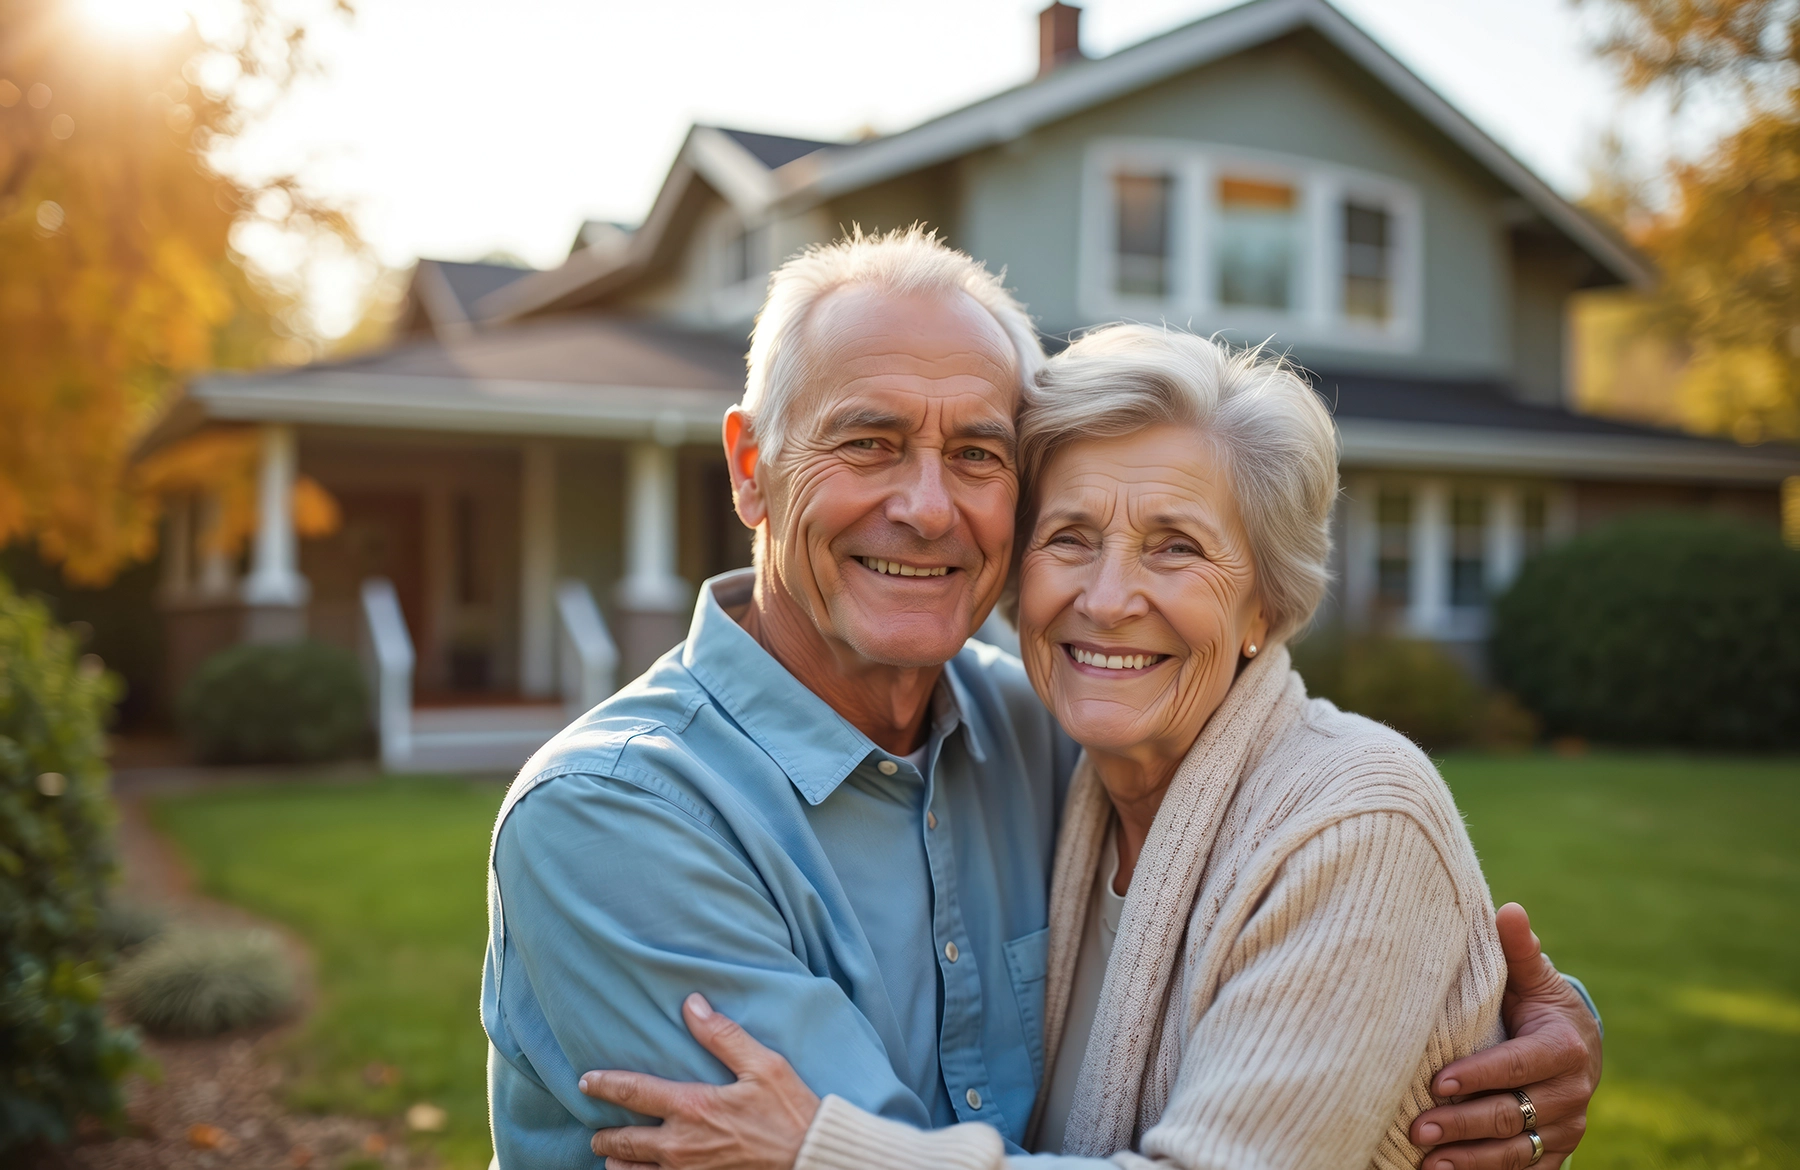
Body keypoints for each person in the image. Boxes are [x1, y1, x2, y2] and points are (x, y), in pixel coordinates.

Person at [482, 231, 1600, 1170]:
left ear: (1270, 603)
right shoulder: (614, 815)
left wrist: (1496, 1020)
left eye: (976, 453)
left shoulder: (1041, 735)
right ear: (750, 467)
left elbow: (1334, 883)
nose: (926, 509)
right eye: (867, 442)